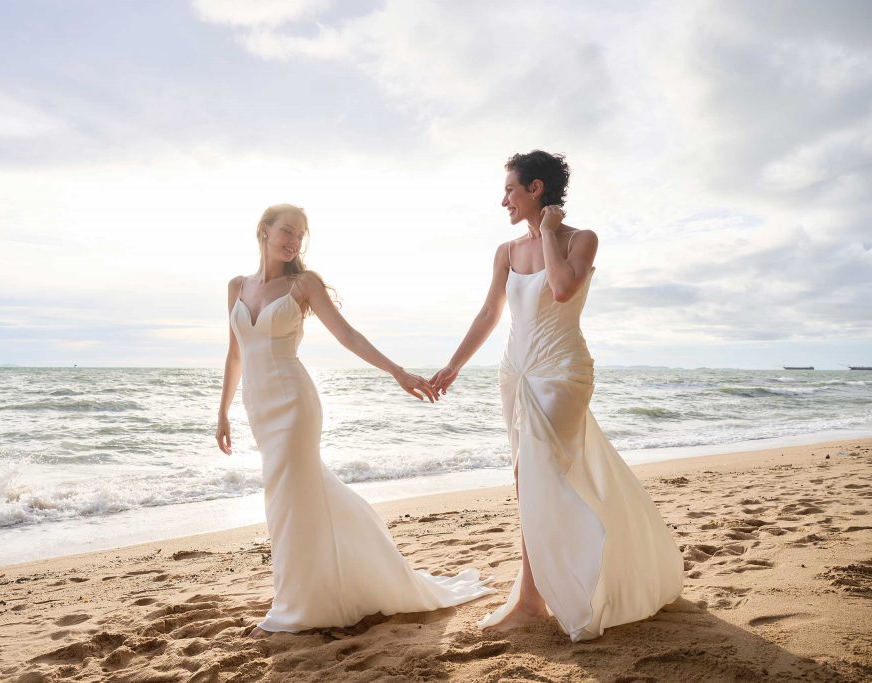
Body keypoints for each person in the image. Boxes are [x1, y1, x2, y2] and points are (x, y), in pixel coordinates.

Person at [430, 151, 683, 641]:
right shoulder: (505, 252)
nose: (503, 198)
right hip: (516, 373)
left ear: (536, 188)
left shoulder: (580, 239)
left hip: (562, 373)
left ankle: (545, 592)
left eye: (510, 189)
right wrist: (453, 365)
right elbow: (489, 314)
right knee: (527, 479)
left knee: (542, 473)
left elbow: (564, 289)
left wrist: (547, 232)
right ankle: (530, 596)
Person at [216, 203, 493, 635]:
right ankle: (320, 587)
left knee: (285, 497)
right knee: (295, 495)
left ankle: (291, 605)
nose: (293, 241)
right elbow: (235, 353)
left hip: (294, 402)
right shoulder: (236, 286)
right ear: (264, 230)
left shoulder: (303, 284)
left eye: (300, 235)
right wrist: (223, 411)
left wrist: (397, 371)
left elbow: (347, 335)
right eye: (287, 230)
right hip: (258, 406)